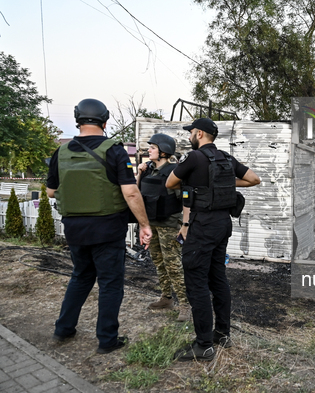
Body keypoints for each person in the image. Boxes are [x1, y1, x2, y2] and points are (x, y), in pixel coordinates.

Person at [47, 98, 152, 354]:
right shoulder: (114, 151)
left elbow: (51, 192)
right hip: (107, 230)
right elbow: (131, 193)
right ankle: (107, 340)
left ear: (77, 121)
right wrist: (144, 225)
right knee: (110, 284)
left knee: (80, 277)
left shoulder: (60, 153)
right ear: (105, 122)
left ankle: (63, 329)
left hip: (75, 231)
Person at [165, 118, 261, 361]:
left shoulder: (193, 158)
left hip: (202, 226)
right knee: (217, 277)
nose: (189, 137)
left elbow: (170, 183)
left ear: (199, 133)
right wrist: (223, 184)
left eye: (190, 133)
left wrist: (203, 186)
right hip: (223, 224)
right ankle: (222, 334)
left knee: (196, 282)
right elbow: (254, 179)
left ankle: (204, 345)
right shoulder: (227, 159)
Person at [137, 133, 191, 322]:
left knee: (173, 265)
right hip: (151, 224)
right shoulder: (147, 170)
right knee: (159, 263)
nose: (148, 150)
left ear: (163, 151)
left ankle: (185, 304)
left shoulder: (174, 171)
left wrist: (185, 224)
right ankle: (166, 298)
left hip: (170, 225)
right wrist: (139, 172)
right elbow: (137, 194)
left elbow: (186, 200)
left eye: (152, 147)